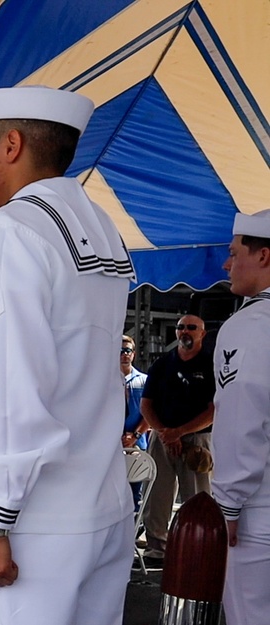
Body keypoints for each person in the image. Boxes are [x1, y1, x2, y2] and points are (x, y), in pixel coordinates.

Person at [0, 87, 136, 625]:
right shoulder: (102, 228)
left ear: (11, 145)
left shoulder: (8, 231)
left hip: (32, 524)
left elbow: (14, 389)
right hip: (101, 507)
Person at [212, 209, 270, 625]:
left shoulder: (249, 326)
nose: (227, 264)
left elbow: (240, 422)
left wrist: (226, 506)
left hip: (258, 512)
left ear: (263, 256)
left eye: (235, 253)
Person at [139, 314, 215, 568]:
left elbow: (214, 409)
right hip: (162, 438)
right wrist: (163, 432)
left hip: (196, 440)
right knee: (157, 495)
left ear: (202, 334)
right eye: (181, 327)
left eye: (192, 328)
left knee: (197, 497)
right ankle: (156, 548)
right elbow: (146, 404)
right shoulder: (162, 364)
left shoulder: (211, 365)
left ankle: (198, 547)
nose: (185, 332)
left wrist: (179, 432)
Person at [120, 335, 148, 451]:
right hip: (110, 443)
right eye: (121, 351)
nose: (125, 354)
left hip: (137, 443)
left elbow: (149, 412)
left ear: (133, 354)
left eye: (128, 351)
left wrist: (135, 435)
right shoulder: (105, 381)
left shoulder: (144, 380)